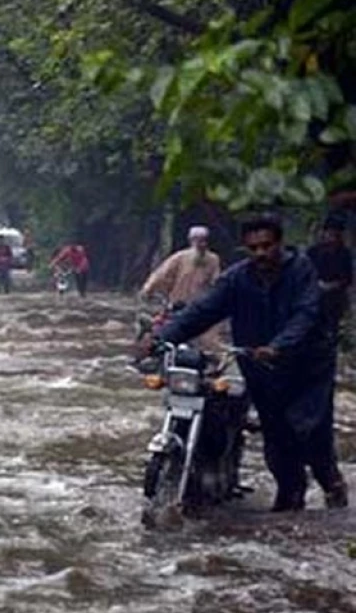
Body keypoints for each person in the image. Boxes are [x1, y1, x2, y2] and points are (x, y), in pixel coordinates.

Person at [147, 213, 347, 511]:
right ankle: (289, 499)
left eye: (266, 246)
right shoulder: (236, 278)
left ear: (279, 243)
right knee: (276, 438)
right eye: (253, 248)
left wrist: (278, 346)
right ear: (245, 248)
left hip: (307, 369)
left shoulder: (302, 270)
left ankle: (332, 484)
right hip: (261, 370)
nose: (260, 254)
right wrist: (160, 339)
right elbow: (202, 311)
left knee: (309, 432)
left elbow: (306, 315)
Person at [141, 226, 223, 347]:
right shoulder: (180, 257)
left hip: (199, 306)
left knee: (205, 340)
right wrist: (148, 289)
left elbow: (217, 282)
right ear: (191, 241)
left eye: (204, 240)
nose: (201, 244)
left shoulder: (213, 260)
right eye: (197, 240)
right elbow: (161, 274)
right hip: (177, 304)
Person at [306, 211, 352, 346]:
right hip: (314, 296)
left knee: (332, 328)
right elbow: (305, 273)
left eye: (335, 234)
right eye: (329, 233)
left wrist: (331, 285)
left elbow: (347, 279)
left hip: (335, 298)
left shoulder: (344, 254)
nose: (332, 237)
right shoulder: (313, 251)